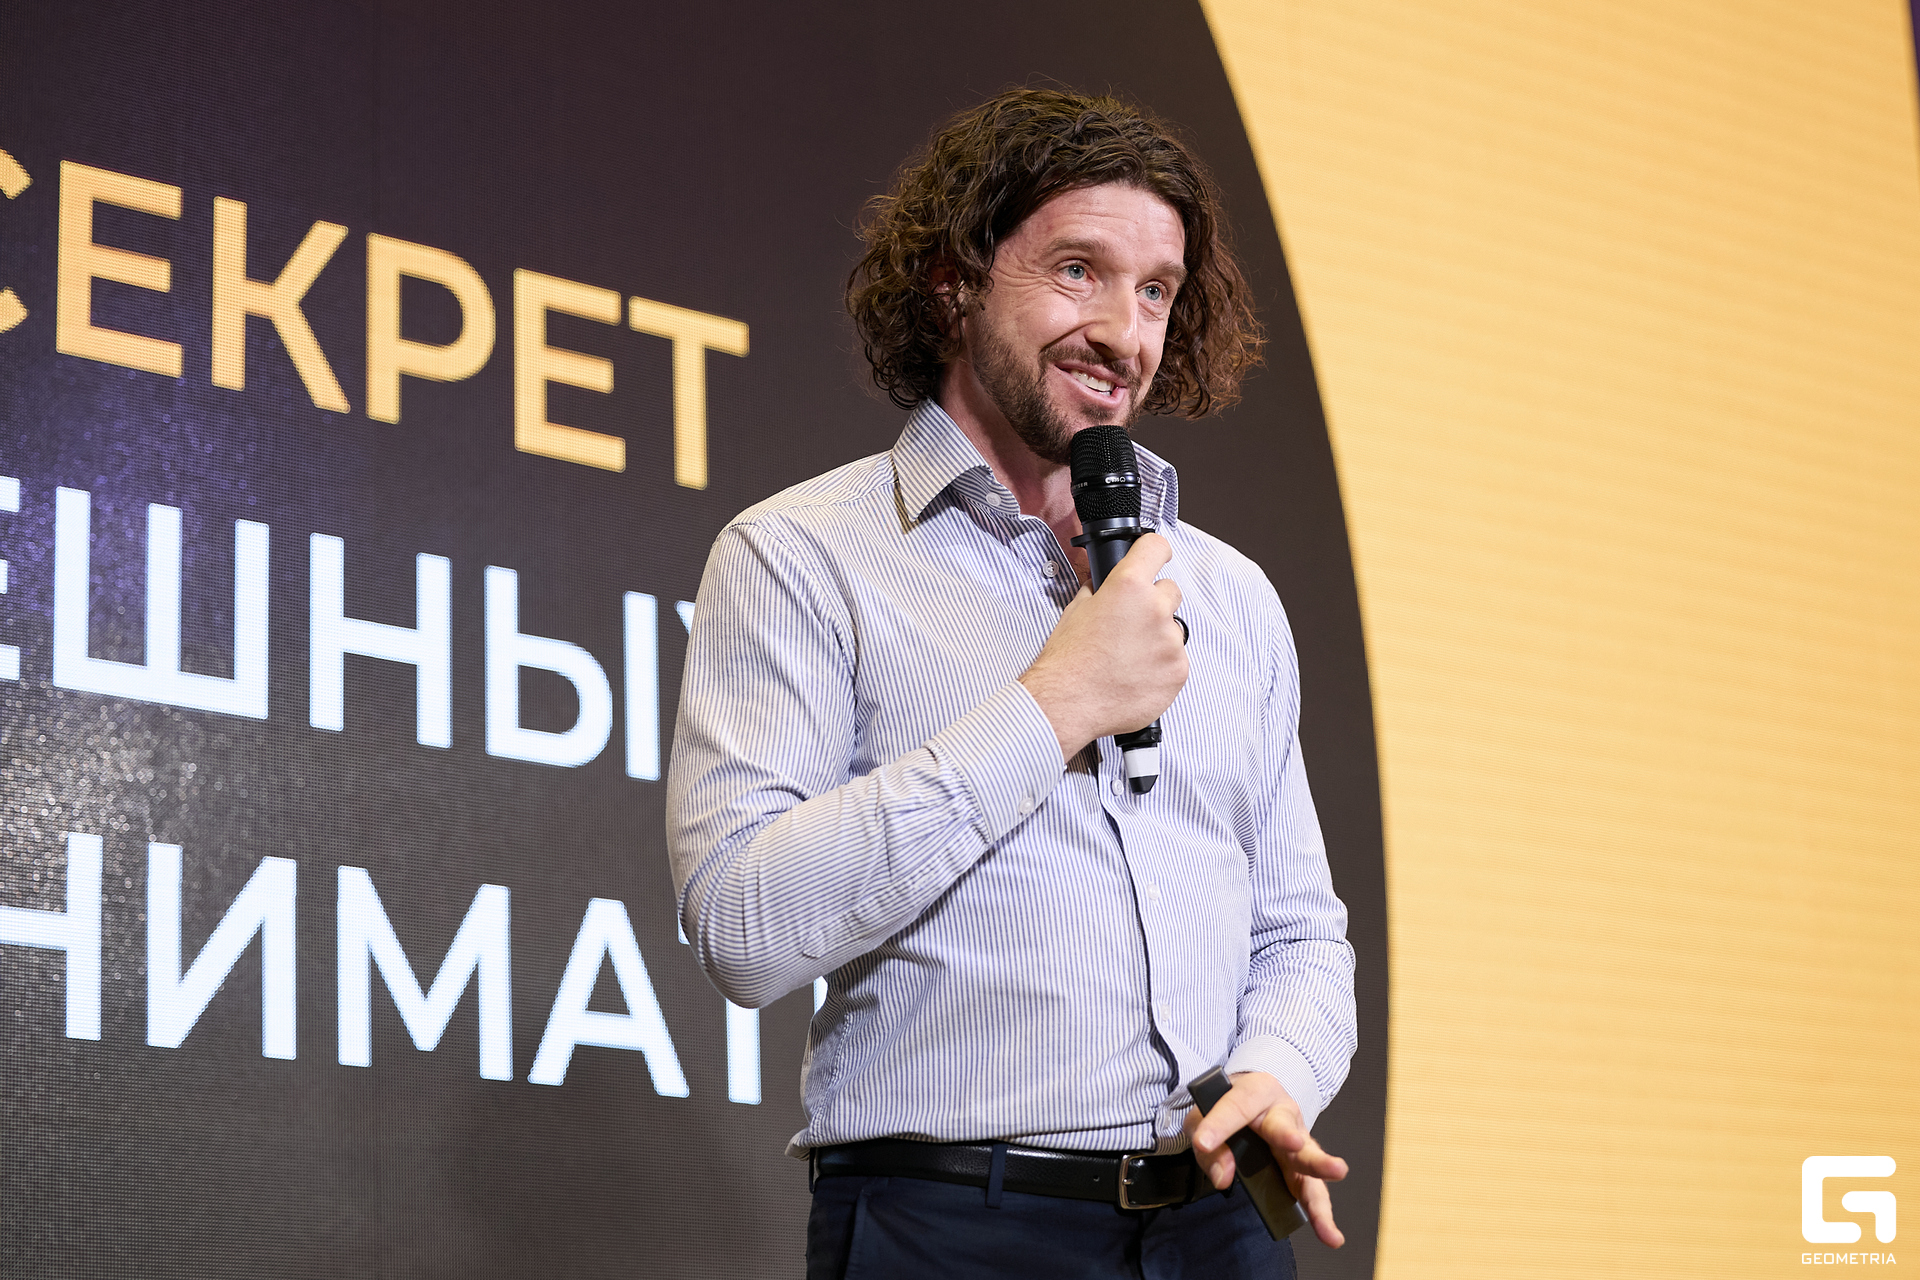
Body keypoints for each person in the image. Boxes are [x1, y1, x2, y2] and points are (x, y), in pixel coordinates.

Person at [666, 88, 1356, 1279]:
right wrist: (1054, 705)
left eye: (1156, 291)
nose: (1125, 332)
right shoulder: (803, 555)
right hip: (956, 1224)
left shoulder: (1230, 592)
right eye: (1079, 271)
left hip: (1222, 1222)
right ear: (954, 280)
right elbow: (742, 923)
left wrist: (1277, 1068)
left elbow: (1299, 930)